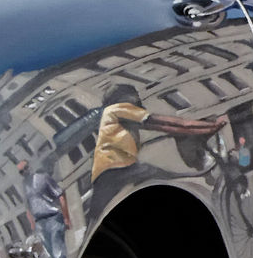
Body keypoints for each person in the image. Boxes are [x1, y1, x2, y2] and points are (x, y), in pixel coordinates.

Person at [87, 84, 228, 213]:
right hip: (118, 170)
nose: (138, 102)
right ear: (124, 98)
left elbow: (170, 128)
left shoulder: (117, 122)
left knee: (97, 215)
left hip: (105, 176)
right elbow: (175, 124)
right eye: (135, 98)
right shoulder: (117, 109)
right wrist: (210, 127)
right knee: (172, 180)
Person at [19, 158, 71, 258]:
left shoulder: (43, 178)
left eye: (25, 168)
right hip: (40, 223)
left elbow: (60, 196)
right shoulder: (25, 186)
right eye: (21, 172)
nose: (24, 172)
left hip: (53, 218)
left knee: (58, 255)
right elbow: (28, 206)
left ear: (30, 167)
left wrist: (66, 217)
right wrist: (33, 224)